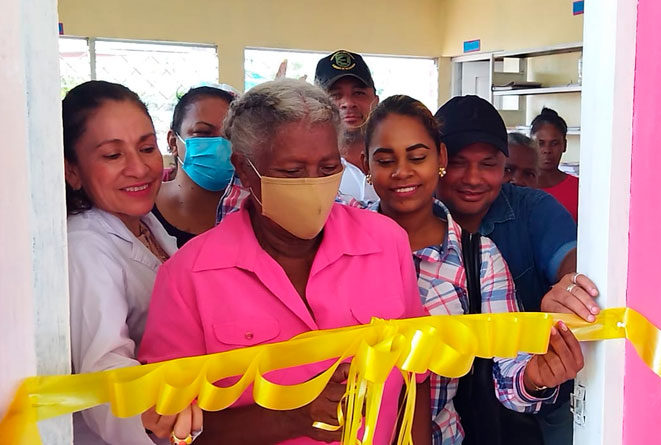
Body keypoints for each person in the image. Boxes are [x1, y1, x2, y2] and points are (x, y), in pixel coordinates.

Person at [138, 79, 431, 445]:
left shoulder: (385, 244)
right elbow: (174, 428)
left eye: (327, 168)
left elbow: (414, 379)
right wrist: (292, 416)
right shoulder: (188, 276)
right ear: (244, 170)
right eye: (292, 172)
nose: (313, 185)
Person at [362, 95, 584, 445]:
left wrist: (534, 375)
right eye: (386, 160)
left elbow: (509, 366)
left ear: (437, 158)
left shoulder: (482, 254)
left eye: (417, 157)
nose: (403, 171)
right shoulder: (341, 238)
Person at [434, 96, 600, 445]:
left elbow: (570, 261)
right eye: (459, 163)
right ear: (437, 162)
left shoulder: (533, 208)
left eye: (489, 164)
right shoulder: (411, 219)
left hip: (530, 393)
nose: (473, 178)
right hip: (438, 405)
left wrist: (572, 288)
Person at [63, 80, 201, 445]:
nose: (139, 168)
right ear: (72, 170)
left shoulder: (147, 226)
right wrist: (150, 408)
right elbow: (103, 365)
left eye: (146, 147)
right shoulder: (84, 246)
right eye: (113, 155)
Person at [153, 85, 236, 247]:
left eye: (229, 135)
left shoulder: (252, 217)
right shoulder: (141, 212)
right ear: (173, 141)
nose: (220, 145)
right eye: (203, 132)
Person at [315, 49, 380, 204]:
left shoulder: (396, 159)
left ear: (376, 101)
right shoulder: (309, 169)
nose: (348, 103)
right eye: (335, 95)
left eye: (358, 93)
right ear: (315, 104)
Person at [529, 107, 579, 221]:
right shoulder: (520, 186)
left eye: (554, 143)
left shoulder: (579, 189)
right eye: (541, 143)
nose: (547, 150)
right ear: (531, 144)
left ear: (564, 145)